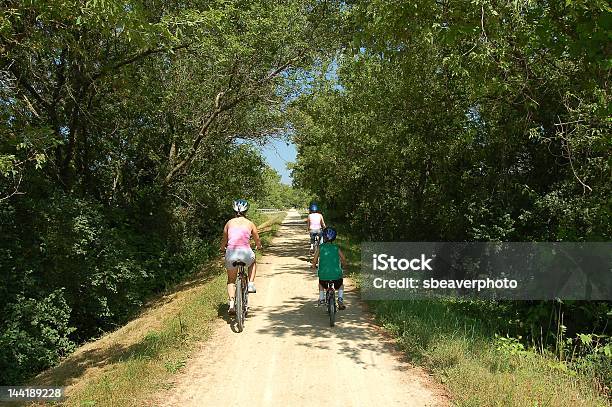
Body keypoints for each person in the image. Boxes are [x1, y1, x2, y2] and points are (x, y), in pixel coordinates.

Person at [220, 199, 262, 314]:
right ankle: (251, 284)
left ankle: (232, 304)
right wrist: (259, 246)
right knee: (253, 262)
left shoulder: (229, 223)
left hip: (231, 253)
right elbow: (257, 239)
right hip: (245, 253)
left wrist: (222, 248)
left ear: (234, 210)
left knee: (231, 281)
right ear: (246, 211)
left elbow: (224, 240)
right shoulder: (250, 223)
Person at [311, 227, 347, 310]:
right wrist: (344, 265)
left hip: (323, 275)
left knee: (321, 284)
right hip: (337, 275)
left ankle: (321, 299)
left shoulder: (321, 247)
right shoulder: (336, 248)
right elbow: (343, 259)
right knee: (340, 285)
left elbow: (315, 260)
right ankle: (340, 300)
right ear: (334, 238)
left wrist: (313, 266)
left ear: (324, 237)